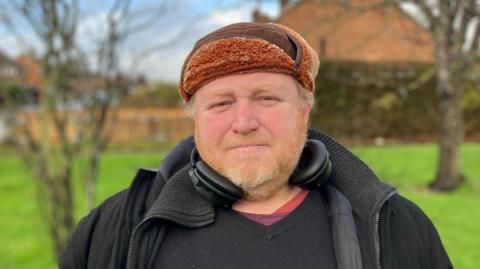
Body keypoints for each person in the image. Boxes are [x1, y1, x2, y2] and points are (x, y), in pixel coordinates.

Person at [61, 22, 452, 269]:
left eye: (266, 98)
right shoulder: (111, 233)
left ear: (305, 110)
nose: (244, 123)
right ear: (195, 118)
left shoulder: (395, 228)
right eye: (221, 103)